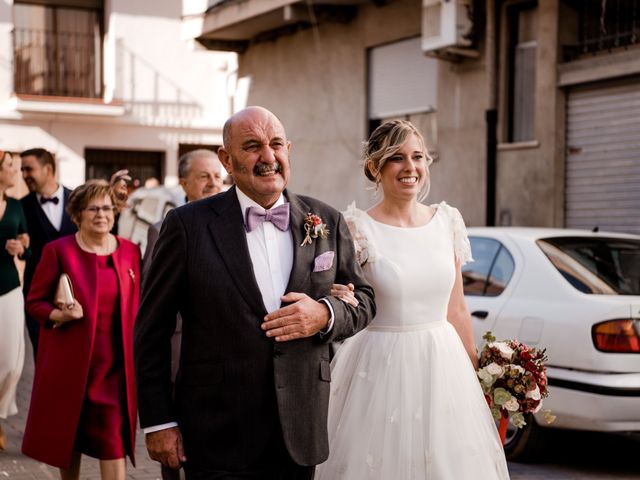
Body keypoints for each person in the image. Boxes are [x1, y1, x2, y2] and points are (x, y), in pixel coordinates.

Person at [134, 106, 376, 479]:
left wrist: (325, 314)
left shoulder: (325, 220)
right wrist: (158, 421)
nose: (268, 157)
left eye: (276, 144)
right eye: (252, 146)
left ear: (289, 149)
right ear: (226, 160)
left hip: (300, 427)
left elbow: (363, 298)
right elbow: (151, 330)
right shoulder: (187, 225)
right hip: (215, 429)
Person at [316, 120, 510, 479]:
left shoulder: (448, 221)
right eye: (396, 158)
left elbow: (457, 309)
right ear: (375, 167)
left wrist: (480, 378)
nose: (410, 168)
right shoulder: (356, 228)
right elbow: (344, 299)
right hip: (377, 369)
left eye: (418, 156)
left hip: (443, 367)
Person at [22, 180, 141, 480]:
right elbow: (34, 302)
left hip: (115, 370)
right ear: (77, 214)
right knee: (68, 441)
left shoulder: (130, 252)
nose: (102, 214)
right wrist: (59, 314)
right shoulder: (58, 251)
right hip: (69, 368)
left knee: (114, 440)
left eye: (106, 208)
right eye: (93, 208)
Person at [141, 149, 223, 480]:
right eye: (204, 177)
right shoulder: (162, 228)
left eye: (218, 176)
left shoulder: (237, 225)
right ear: (184, 183)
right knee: (174, 445)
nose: (213, 183)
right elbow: (154, 299)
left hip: (223, 346)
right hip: (180, 343)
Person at [20, 148, 77, 359]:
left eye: (29, 169)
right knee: (43, 356)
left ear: (48, 169)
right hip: (38, 296)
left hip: (76, 295)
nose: (25, 175)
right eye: (22, 170)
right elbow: (24, 254)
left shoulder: (77, 201)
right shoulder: (21, 207)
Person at [0, 149, 30, 451]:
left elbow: (26, 246)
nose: (14, 171)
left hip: (8, 285)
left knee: (11, 363)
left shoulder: (16, 206)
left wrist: (20, 247)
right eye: (10, 166)